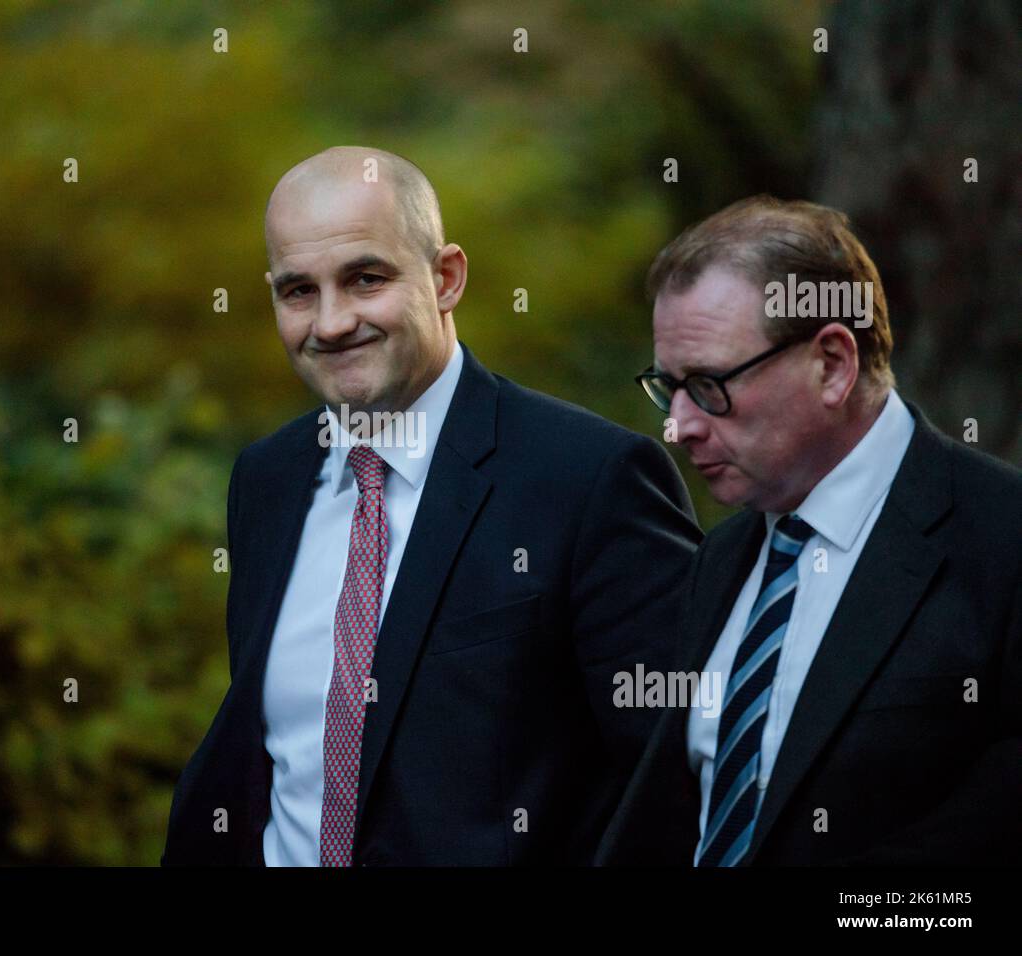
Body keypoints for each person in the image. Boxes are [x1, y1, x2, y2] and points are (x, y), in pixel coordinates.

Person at [162, 146, 701, 865]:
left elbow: (674, 785)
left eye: (365, 279)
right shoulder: (268, 480)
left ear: (446, 278)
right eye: (298, 292)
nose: (329, 323)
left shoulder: (590, 479)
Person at [599, 195, 1022, 865]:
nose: (678, 425)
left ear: (832, 364)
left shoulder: (1000, 543)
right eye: (669, 387)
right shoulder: (726, 556)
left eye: (709, 385)